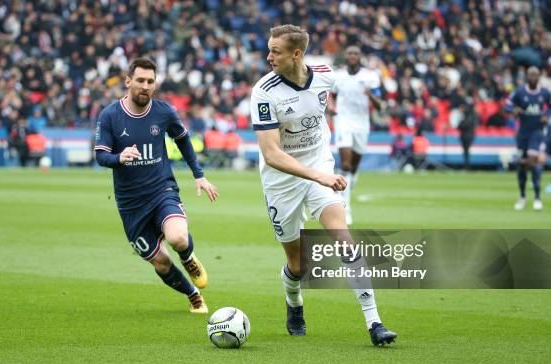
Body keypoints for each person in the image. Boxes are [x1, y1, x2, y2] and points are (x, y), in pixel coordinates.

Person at [250, 25, 396, 345]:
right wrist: (319, 177)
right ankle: (294, 302)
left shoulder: (325, 75)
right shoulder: (264, 91)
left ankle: (374, 322)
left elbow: (358, 87)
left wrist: (321, 174)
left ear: (296, 54)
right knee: (298, 264)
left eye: (276, 51)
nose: (268, 56)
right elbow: (272, 154)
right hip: (282, 181)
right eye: (269, 49)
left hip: (319, 166)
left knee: (344, 240)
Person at [94, 57, 218, 313]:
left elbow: (183, 139)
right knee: (160, 263)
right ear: (128, 81)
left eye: (151, 81)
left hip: (162, 190)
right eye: (140, 80)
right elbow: (101, 155)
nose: (145, 86)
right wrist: (119, 157)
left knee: (178, 238)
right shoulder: (110, 116)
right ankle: (193, 294)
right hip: (130, 204)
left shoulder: (164, 112)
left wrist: (199, 174)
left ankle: (188, 259)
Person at [330, 45, 383, 225]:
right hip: (343, 121)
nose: (352, 56)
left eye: (356, 54)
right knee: (345, 163)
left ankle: (348, 186)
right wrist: (331, 107)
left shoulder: (370, 76)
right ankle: (345, 208)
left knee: (353, 167)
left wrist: (370, 95)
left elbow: (380, 106)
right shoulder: (338, 76)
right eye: (350, 53)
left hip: (362, 123)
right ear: (346, 56)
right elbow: (331, 95)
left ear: (359, 57)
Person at [505, 67, 549, 211]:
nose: (533, 78)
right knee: (522, 166)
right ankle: (522, 196)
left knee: (534, 161)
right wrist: (514, 110)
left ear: (539, 77)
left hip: (537, 132)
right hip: (523, 133)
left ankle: (537, 197)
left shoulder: (544, 92)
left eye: (536, 75)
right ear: (527, 77)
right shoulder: (519, 92)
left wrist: (546, 115)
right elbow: (507, 105)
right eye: (531, 75)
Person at [457, 102, 478, 170]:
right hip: (467, 135)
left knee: (466, 151)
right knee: (466, 151)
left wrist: (460, 124)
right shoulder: (468, 115)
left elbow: (463, 125)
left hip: (467, 135)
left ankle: (467, 166)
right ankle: (466, 165)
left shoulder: (469, 116)